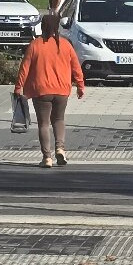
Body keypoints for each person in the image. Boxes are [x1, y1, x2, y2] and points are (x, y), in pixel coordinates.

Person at [14, 13, 84, 168]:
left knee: (43, 123)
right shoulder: (65, 45)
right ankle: (60, 148)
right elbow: (76, 67)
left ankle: (47, 157)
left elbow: (24, 68)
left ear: (43, 26)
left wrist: (18, 87)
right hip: (61, 90)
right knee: (59, 120)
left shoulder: (35, 45)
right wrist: (80, 85)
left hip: (41, 90)